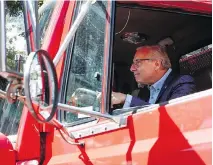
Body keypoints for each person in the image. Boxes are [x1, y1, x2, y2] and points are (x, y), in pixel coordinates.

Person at [111, 45, 196, 107]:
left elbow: (173, 116)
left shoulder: (183, 83)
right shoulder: (144, 92)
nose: (131, 68)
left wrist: (126, 99)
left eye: (137, 62)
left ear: (156, 64)